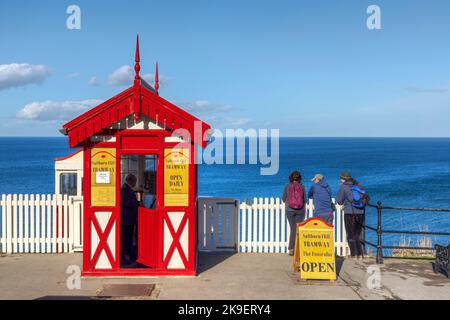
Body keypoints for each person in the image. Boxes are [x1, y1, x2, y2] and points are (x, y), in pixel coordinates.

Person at [336, 171, 366, 260]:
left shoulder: (343, 187)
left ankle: (353, 254)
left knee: (350, 233)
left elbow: (339, 201)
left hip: (349, 212)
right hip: (360, 212)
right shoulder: (359, 185)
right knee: (357, 232)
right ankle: (360, 253)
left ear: (343, 179)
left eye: (341, 178)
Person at [282, 171, 306, 256]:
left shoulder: (287, 186)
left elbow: (284, 198)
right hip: (300, 210)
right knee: (298, 229)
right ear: (299, 178)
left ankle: (291, 249)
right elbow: (304, 200)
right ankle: (298, 248)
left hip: (289, 210)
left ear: (291, 178)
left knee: (293, 229)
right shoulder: (302, 186)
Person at [120, 173, 140, 266]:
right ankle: (124, 259)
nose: (135, 184)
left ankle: (127, 257)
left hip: (128, 219)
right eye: (135, 181)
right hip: (126, 220)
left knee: (128, 238)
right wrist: (136, 203)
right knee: (126, 239)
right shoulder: (125, 189)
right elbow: (124, 202)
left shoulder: (126, 188)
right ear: (130, 180)